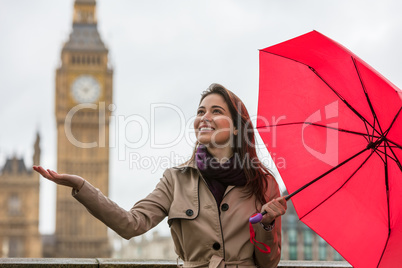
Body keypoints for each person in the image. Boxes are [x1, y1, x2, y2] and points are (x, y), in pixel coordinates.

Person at [33, 83, 287, 268]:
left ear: (235, 127)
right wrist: (82, 187)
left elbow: (269, 262)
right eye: (200, 112)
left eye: (216, 111)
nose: (204, 118)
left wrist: (266, 224)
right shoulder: (175, 179)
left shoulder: (263, 184)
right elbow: (131, 224)